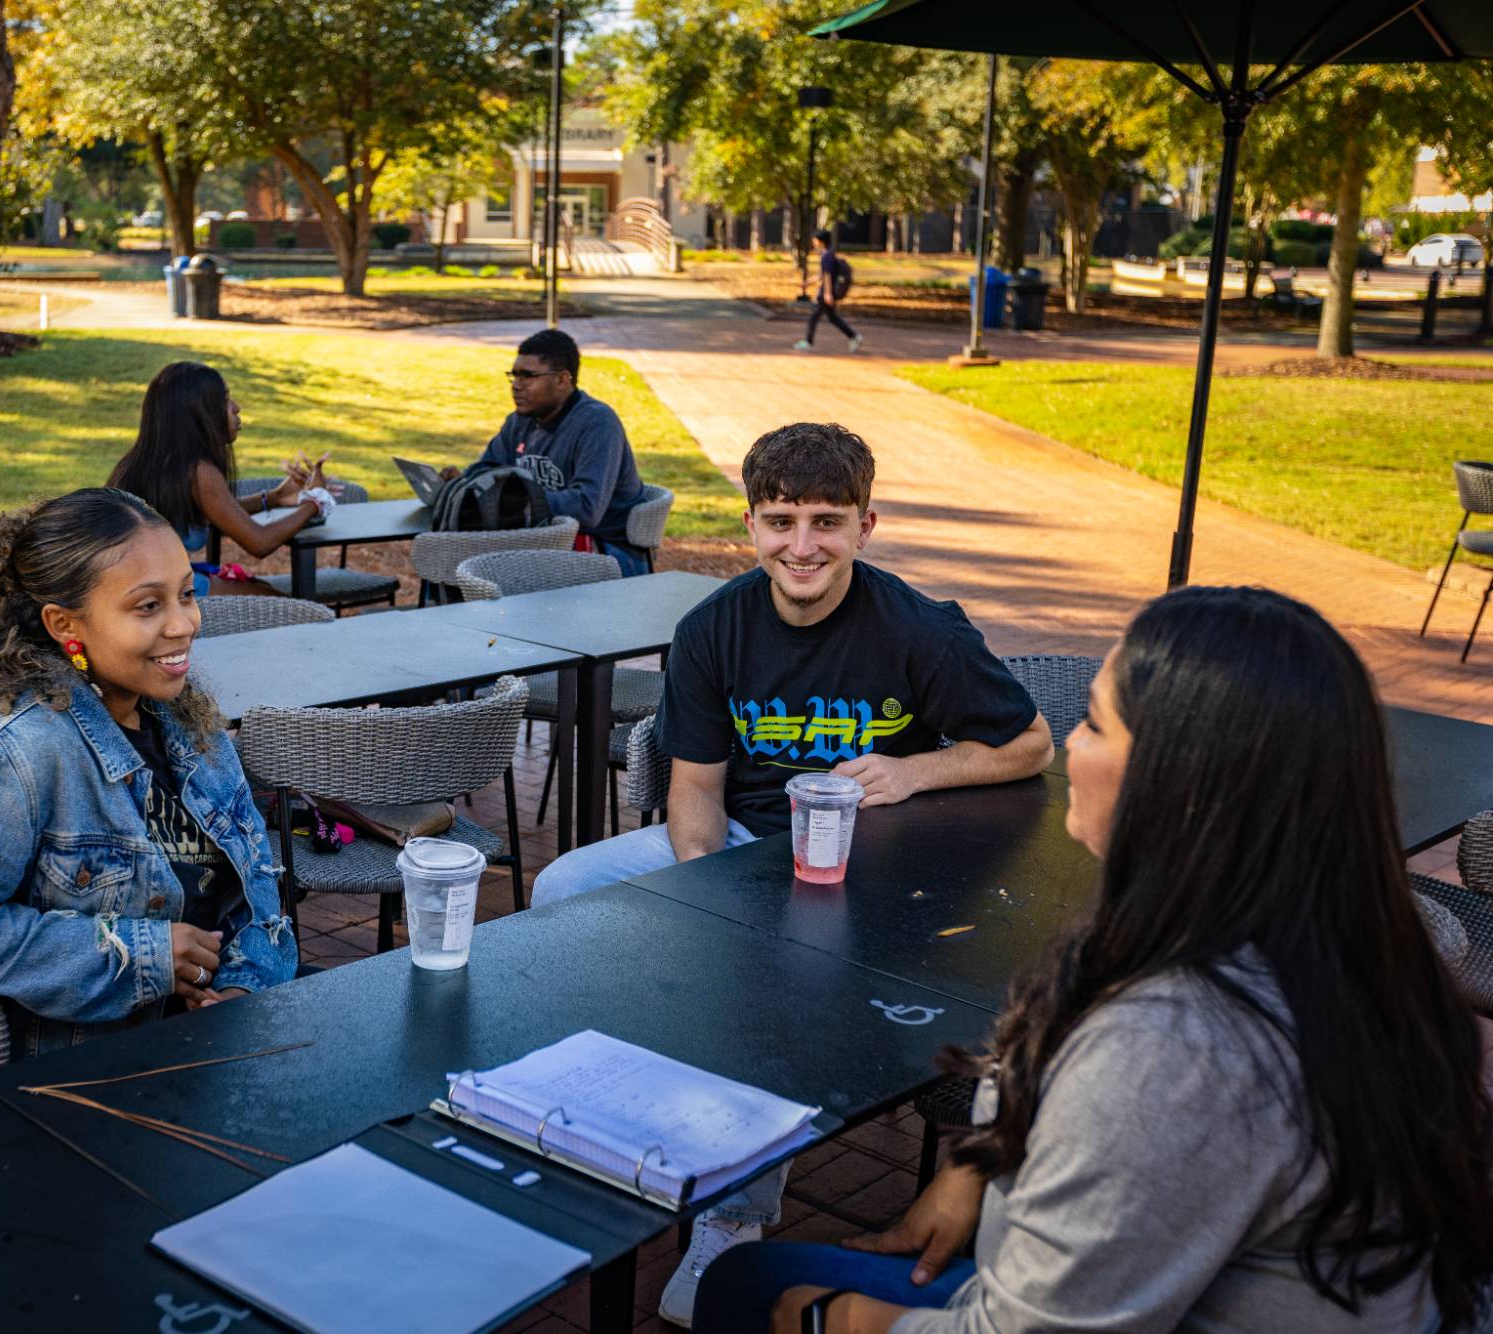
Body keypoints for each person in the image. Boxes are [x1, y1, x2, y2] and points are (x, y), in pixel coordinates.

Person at [694, 586, 1493, 1334]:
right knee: (746, 1280)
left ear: (1181, 782)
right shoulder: (1329, 932)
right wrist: (974, 1166)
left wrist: (824, 1317)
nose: (1068, 742)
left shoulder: (1175, 1047)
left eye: (1099, 725)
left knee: (748, 1292)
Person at [529, 421, 1051, 1323]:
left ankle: (734, 1215)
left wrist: (913, 770)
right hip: (738, 846)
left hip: (879, 876)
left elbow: (1030, 743)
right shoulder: (712, 628)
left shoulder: (916, 628)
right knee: (561, 891)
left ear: (865, 525)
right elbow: (693, 788)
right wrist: (706, 890)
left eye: (825, 522)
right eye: (780, 521)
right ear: (750, 525)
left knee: (776, 985)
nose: (801, 546)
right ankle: (606, 1124)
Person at [0, 488, 296, 1057]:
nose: (184, 624)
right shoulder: (18, 757)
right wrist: (142, 954)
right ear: (65, 623)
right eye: (148, 606)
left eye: (187, 595)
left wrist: (245, 983)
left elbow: (258, 883)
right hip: (95, 1067)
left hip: (220, 1037)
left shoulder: (193, 726)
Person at [107, 360, 337, 597]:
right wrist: (316, 501)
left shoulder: (144, 462)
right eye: (224, 400)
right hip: (157, 597)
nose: (236, 408)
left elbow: (220, 512)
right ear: (198, 413)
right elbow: (260, 543)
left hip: (129, 588)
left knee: (266, 591)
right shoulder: (198, 471)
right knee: (286, 608)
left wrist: (276, 497)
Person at [446, 328, 647, 576]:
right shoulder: (520, 421)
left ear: (563, 380)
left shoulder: (597, 424)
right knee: (452, 554)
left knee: (492, 571)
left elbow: (587, 509)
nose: (516, 386)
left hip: (607, 551)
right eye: (514, 375)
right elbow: (489, 467)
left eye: (528, 376)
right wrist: (464, 482)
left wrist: (517, 498)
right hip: (543, 540)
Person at [795, 230, 860, 355]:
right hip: (826, 291)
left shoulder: (826, 256)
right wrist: (807, 283)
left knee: (814, 317)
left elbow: (827, 275)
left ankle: (808, 342)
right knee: (833, 318)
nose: (813, 242)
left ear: (820, 241)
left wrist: (827, 293)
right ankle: (853, 336)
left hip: (825, 292)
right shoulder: (827, 255)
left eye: (815, 240)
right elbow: (821, 274)